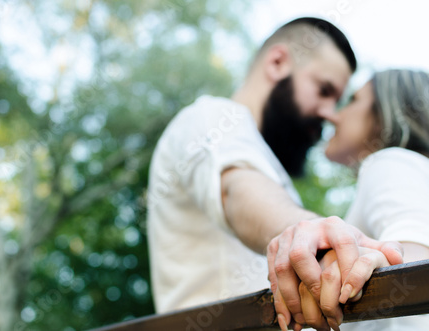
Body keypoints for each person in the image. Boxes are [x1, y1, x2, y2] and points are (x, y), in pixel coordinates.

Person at [146, 17, 403, 325]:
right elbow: (238, 189)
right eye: (324, 90)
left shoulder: (261, 156)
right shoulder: (214, 117)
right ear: (278, 62)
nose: (329, 114)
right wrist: (311, 233)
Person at [293, 69, 429, 331]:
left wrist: (381, 259)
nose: (332, 115)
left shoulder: (390, 162)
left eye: (353, 100)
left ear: (387, 114)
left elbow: (418, 246)